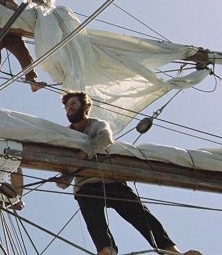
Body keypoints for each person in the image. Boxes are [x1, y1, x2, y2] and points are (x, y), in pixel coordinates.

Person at [56, 91, 201, 255]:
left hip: (112, 181)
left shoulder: (96, 124)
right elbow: (66, 162)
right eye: (67, 106)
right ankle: (106, 250)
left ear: (86, 106)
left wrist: (83, 155)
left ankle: (171, 251)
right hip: (86, 185)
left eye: (73, 104)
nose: (69, 108)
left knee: (141, 216)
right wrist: (65, 178)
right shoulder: (67, 134)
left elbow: (105, 138)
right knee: (93, 219)